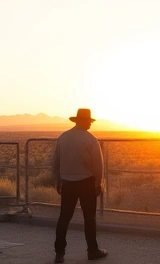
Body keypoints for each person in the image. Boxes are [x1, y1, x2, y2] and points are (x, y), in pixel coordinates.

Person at [51, 108, 108, 263]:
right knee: (89, 217)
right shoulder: (90, 139)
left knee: (64, 217)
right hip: (86, 182)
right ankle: (92, 250)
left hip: (68, 183)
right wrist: (98, 184)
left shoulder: (63, 137)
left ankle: (59, 252)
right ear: (85, 121)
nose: (90, 124)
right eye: (89, 121)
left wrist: (58, 179)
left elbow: (56, 161)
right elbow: (98, 165)